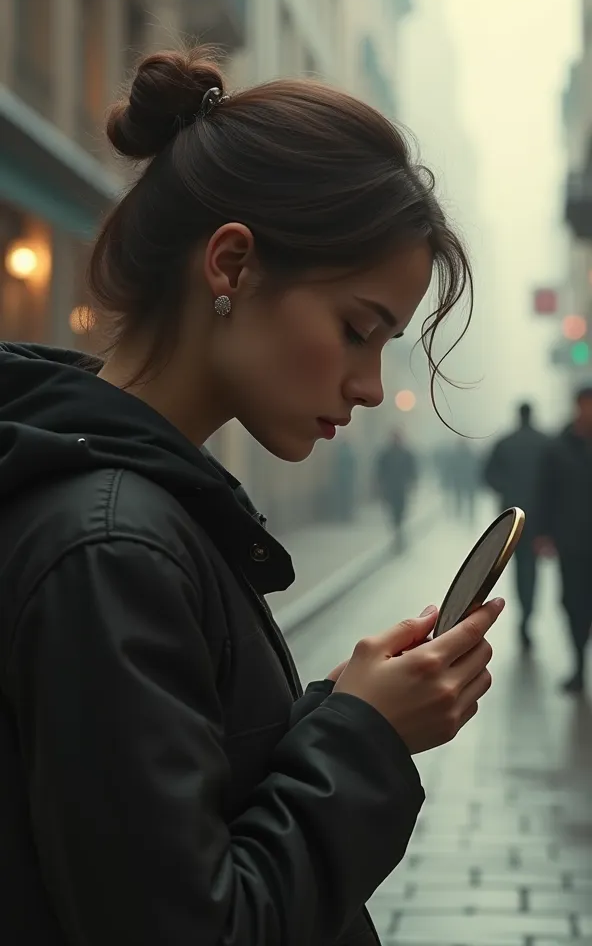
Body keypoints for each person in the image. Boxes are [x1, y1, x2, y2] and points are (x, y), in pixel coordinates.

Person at [0, 49, 503, 946]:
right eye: (358, 330)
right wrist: (368, 741)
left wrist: (342, 707)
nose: (372, 386)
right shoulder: (115, 545)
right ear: (230, 265)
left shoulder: (136, 505)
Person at [535, 387, 592, 694]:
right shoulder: (558, 448)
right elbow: (545, 493)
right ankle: (579, 668)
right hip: (572, 544)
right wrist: (543, 533)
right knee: (573, 605)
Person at [483, 402, 548, 651]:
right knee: (531, 568)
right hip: (539, 516)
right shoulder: (545, 443)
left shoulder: (505, 443)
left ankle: (524, 611)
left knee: (520, 566)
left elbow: (488, 475)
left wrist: (506, 490)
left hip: (512, 518)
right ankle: (528, 614)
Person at [375, 430, 418, 551]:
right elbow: (380, 471)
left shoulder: (406, 453)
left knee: (400, 512)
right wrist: (380, 486)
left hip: (401, 488)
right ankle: (397, 535)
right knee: (392, 513)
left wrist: (411, 483)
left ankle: (399, 536)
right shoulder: (386, 454)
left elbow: (412, 470)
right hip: (390, 488)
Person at [448, 438, 480, 523]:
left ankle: (460, 516)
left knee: (460, 499)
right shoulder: (471, 454)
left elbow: (452, 469)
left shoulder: (455, 455)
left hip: (461, 481)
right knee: (469, 500)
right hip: (469, 481)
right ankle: (469, 517)